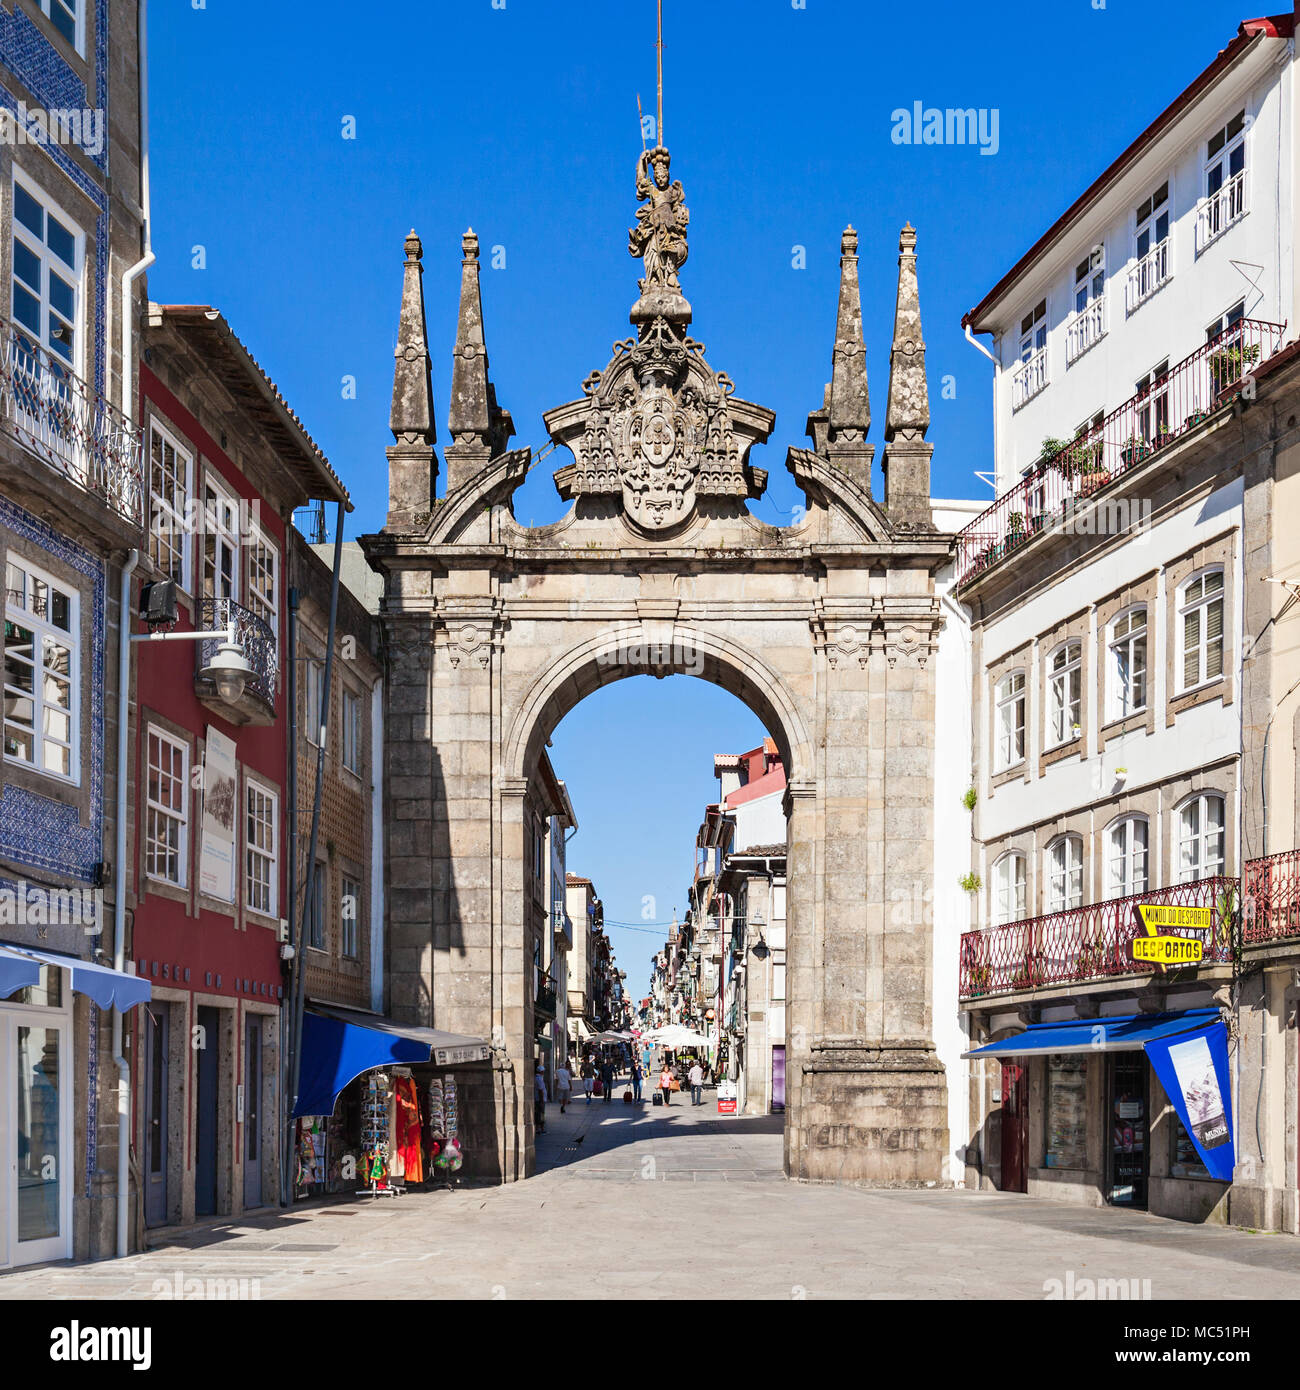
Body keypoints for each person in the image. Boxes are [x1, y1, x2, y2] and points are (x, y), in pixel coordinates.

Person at [534, 1061, 548, 1132]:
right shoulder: (539, 1079)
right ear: (541, 1072)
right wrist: (542, 1100)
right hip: (540, 1100)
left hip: (538, 1099)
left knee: (539, 1113)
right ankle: (540, 1128)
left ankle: (539, 1128)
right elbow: (540, 1090)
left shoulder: (537, 1078)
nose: (544, 1072)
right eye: (543, 1071)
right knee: (541, 1114)